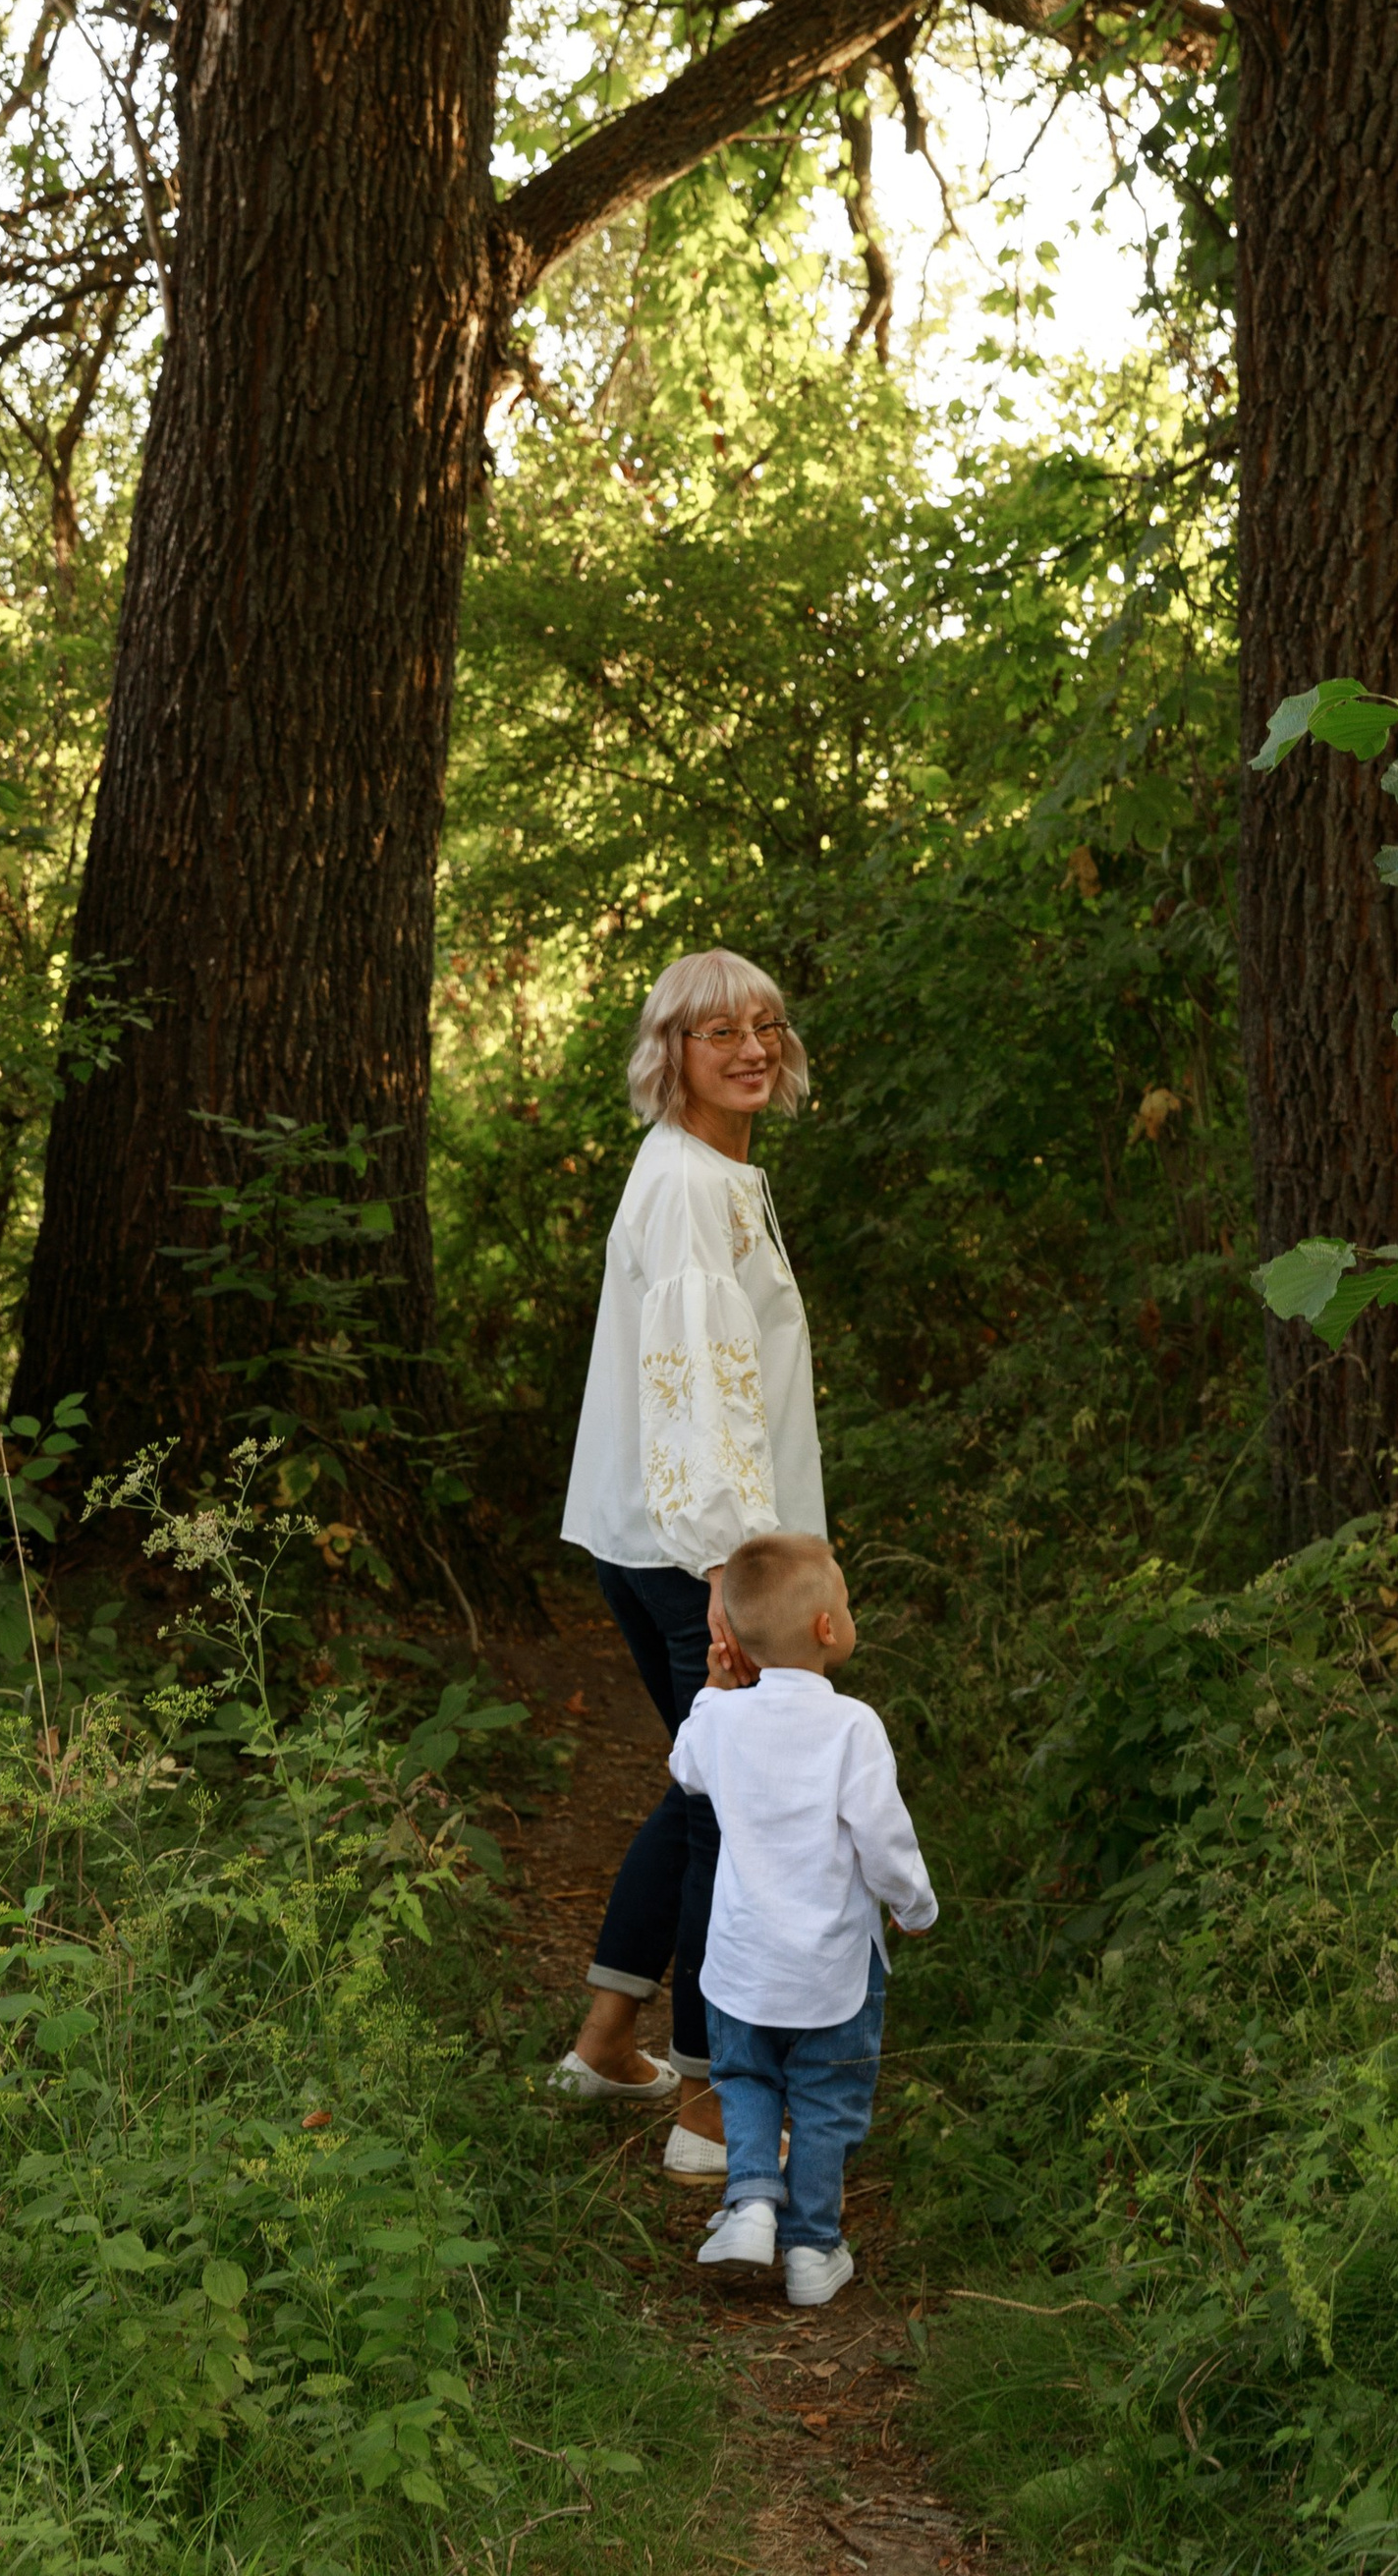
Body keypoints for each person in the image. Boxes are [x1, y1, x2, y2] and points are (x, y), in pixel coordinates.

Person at [550, 947, 822, 2179]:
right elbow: (697, 1398)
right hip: (694, 1553)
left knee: (704, 1788)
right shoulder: (684, 1187)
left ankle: (610, 2042)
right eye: (721, 1033)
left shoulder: (717, 1172)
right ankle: (712, 2110)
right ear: (672, 1055)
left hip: (678, 1542)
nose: (752, 1048)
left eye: (764, 1025)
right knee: (742, 1814)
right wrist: (731, 1574)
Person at [670, 1530, 936, 2306]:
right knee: (825, 2101)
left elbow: (684, 1764)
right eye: (845, 1603)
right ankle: (813, 2251)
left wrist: (715, 1689)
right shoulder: (854, 1727)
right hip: (834, 1972)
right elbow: (884, 1839)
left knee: (746, 2077)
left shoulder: (722, 1723)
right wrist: (915, 1906)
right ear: (827, 1629)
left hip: (742, 1965)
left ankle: (751, 2200)